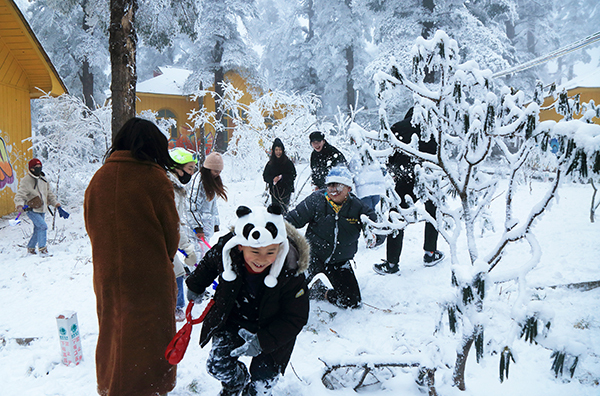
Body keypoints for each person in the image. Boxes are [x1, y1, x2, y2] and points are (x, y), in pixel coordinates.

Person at [84, 117, 180, 396]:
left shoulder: (98, 179)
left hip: (107, 277)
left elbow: (92, 227)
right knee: (148, 341)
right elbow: (171, 236)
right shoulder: (154, 179)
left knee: (114, 332)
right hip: (148, 280)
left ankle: (111, 386)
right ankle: (148, 389)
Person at [186, 204, 310, 396]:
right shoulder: (228, 251)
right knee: (218, 365)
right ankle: (236, 384)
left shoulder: (291, 271)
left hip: (272, 329)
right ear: (241, 245)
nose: (261, 259)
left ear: (280, 247)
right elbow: (210, 263)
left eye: (270, 252)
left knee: (263, 379)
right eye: (254, 251)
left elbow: (296, 317)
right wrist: (195, 285)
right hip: (233, 320)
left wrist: (262, 341)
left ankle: (255, 391)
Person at [285, 165, 376, 309]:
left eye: (338, 187)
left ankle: (321, 291)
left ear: (348, 189)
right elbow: (292, 219)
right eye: (330, 186)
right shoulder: (316, 200)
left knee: (352, 301)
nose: (333, 191)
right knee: (290, 293)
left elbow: (375, 226)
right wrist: (272, 227)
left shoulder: (358, 208)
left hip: (339, 261)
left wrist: (375, 236)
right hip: (312, 256)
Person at [373, 108, 444, 276]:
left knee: (396, 216)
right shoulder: (433, 129)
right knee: (432, 214)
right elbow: (439, 156)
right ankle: (430, 253)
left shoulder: (398, 126)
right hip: (428, 176)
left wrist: (394, 172)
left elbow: (390, 154)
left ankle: (391, 263)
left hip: (404, 178)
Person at [167, 147, 199, 322]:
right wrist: (187, 248)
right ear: (177, 168)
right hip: (159, 242)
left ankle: (176, 307)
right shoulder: (170, 190)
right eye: (189, 169)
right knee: (176, 272)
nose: (192, 173)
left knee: (178, 272)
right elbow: (173, 223)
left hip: (166, 240)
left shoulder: (175, 188)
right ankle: (175, 308)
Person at [14, 158, 61, 255]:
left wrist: (56, 204)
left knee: (38, 229)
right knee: (43, 226)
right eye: (36, 167)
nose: (39, 169)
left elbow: (49, 194)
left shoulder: (43, 180)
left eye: (40, 167)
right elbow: (20, 194)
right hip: (31, 209)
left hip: (42, 208)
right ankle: (43, 249)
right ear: (31, 168)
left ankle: (31, 248)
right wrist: (19, 205)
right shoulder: (26, 181)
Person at [188, 151, 227, 243]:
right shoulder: (198, 181)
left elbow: (213, 205)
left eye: (220, 171)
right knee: (198, 255)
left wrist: (216, 223)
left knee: (204, 254)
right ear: (208, 169)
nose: (218, 174)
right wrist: (197, 227)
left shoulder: (210, 181)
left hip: (206, 229)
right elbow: (191, 205)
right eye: (216, 171)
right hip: (196, 231)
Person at [262, 138, 296, 212]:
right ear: (273, 151)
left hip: (286, 191)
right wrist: (272, 179)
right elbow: (265, 176)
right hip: (274, 192)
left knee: (284, 211)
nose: (278, 152)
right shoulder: (270, 163)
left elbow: (293, 175)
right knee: (275, 212)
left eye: (280, 150)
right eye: (276, 150)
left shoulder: (288, 162)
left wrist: (282, 177)